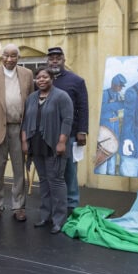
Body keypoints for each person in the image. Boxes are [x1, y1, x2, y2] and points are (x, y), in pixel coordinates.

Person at [0, 44, 33, 222]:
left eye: (14, 56)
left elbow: (31, 105)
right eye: (6, 56)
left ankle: (19, 206)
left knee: (19, 170)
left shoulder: (27, 74)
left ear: (19, 58)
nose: (10, 59)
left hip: (19, 129)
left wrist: (29, 132)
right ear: (0, 57)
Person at [21, 67, 73, 234]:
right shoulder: (31, 98)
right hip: (36, 146)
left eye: (45, 77)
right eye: (38, 77)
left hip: (53, 145)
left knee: (56, 181)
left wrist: (62, 142)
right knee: (43, 181)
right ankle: (45, 216)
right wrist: (24, 141)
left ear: (52, 79)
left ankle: (59, 220)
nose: (41, 80)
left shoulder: (61, 96)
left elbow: (67, 120)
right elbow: (25, 121)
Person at [47, 47, 88, 214]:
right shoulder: (43, 80)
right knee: (51, 173)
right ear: (47, 61)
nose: (54, 61)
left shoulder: (76, 81)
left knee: (70, 172)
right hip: (47, 136)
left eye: (58, 57)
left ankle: (71, 206)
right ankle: (53, 205)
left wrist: (82, 131)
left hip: (70, 135)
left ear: (64, 59)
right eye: (51, 58)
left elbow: (83, 107)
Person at [96, 74, 126, 175]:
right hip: (104, 132)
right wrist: (120, 104)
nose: (121, 88)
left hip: (114, 131)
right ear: (114, 84)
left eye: (122, 86)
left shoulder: (118, 95)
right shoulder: (104, 94)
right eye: (120, 86)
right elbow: (103, 109)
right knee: (101, 165)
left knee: (112, 166)